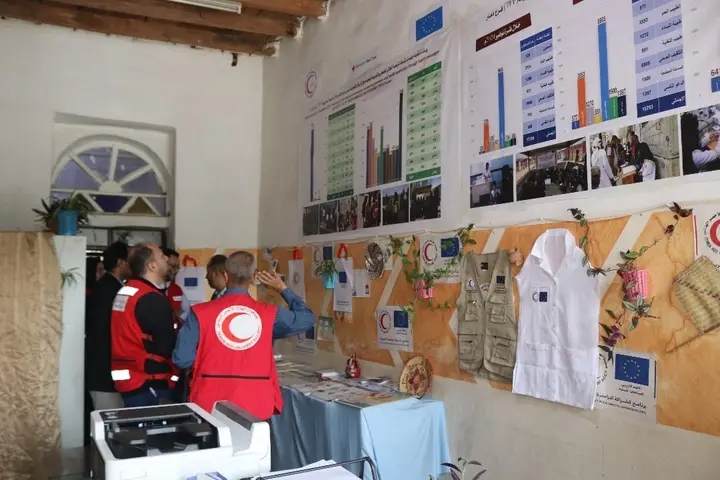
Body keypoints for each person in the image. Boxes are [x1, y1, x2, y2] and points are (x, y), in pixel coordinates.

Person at [172, 251, 316, 417]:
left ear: (226, 276)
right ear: (252, 278)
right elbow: (306, 319)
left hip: (209, 400)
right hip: (256, 401)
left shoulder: (200, 313)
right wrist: (282, 289)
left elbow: (182, 359)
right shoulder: (269, 314)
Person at [110, 243, 178, 407]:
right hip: (150, 382)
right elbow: (167, 347)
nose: (166, 259)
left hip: (132, 381)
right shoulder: (151, 299)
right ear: (152, 266)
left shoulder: (128, 291)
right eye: (162, 256)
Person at [86, 242, 131, 411]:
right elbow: (102, 332)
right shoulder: (108, 289)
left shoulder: (113, 286)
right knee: (108, 419)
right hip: (103, 373)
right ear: (120, 263)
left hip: (108, 371)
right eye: (130, 260)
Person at [162, 248, 190, 327]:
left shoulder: (176, 289)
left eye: (178, 267)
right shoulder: (150, 288)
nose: (176, 270)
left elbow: (187, 313)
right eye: (173, 266)